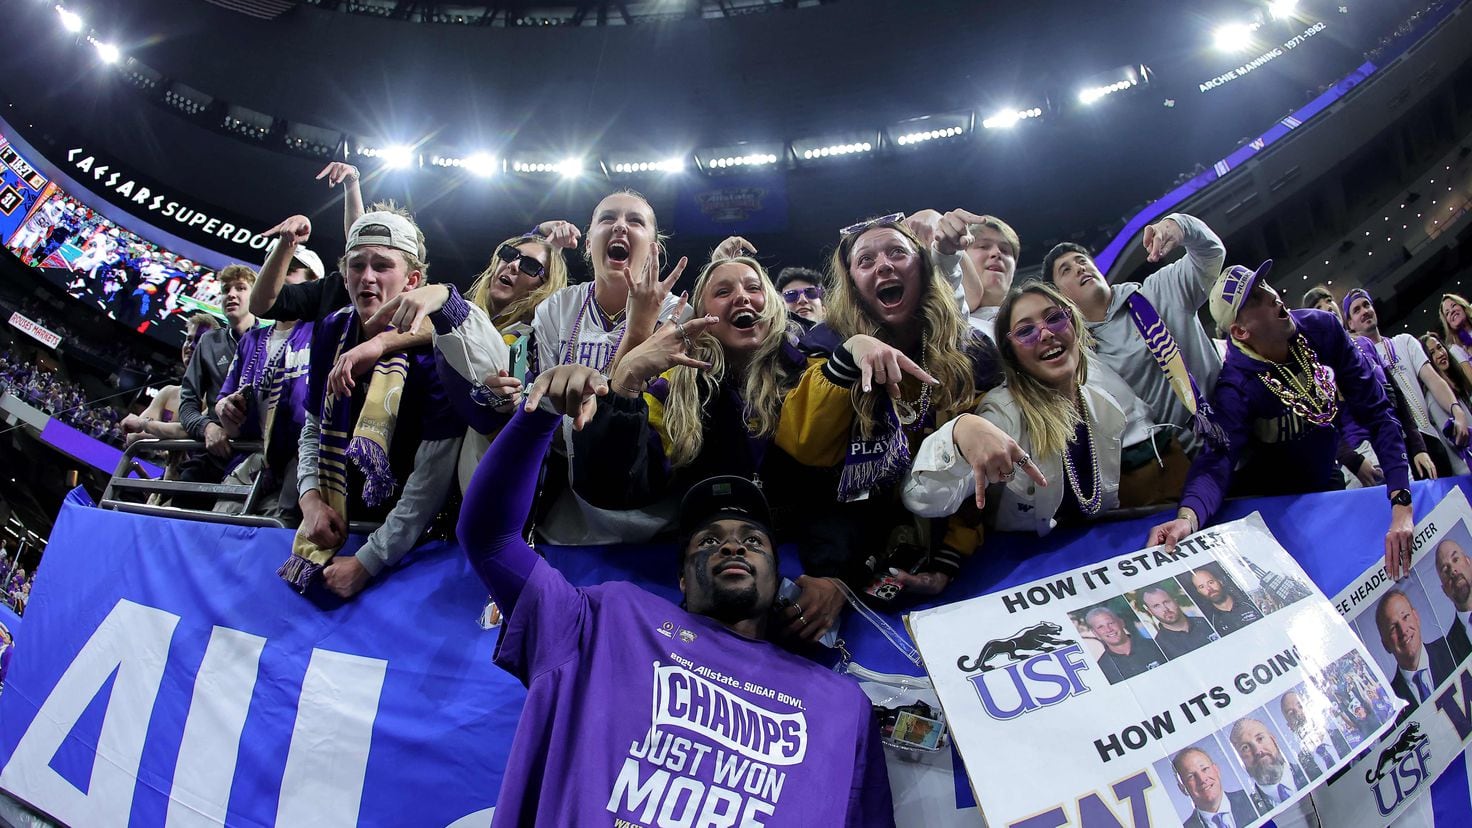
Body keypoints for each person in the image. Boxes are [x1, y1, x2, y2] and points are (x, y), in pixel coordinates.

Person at [456, 385, 895, 826]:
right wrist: (540, 413)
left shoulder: (841, 707)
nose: (732, 548)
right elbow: (490, 541)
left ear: (777, 577)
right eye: (709, 540)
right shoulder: (608, 619)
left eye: (753, 541)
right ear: (683, 578)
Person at [565, 256, 844, 640]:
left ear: (774, 304)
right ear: (702, 315)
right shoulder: (673, 388)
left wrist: (839, 575)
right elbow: (610, 488)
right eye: (723, 291)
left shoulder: (815, 368)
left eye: (753, 287)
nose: (742, 298)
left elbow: (847, 481)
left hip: (811, 565)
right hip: (716, 574)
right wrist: (627, 381)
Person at [774, 215, 1026, 599]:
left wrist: (948, 558)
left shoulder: (970, 351)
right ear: (854, 285)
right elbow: (805, 447)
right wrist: (849, 356)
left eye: (897, 252)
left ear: (923, 267)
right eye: (866, 261)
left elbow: (977, 483)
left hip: (938, 528)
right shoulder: (825, 342)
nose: (884, 266)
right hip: (845, 536)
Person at [1147, 264, 1415, 580]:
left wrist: (1401, 503)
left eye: (1266, 286)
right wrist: (1187, 517)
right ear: (1240, 331)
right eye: (1257, 298)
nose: (1274, 296)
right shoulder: (1236, 387)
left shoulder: (1322, 328)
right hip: (1277, 502)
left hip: (1325, 475)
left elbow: (1377, 410)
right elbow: (1216, 460)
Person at [283, 208, 464, 599]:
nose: (367, 277)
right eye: (357, 265)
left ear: (413, 280)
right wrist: (311, 498)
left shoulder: (438, 352)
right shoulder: (331, 329)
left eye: (382, 266)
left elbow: (432, 476)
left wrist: (370, 561)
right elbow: (313, 427)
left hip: (414, 543)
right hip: (338, 521)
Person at [904, 282, 1183, 533]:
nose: (1046, 333)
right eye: (1026, 331)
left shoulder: (1106, 408)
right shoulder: (1004, 414)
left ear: (1073, 325)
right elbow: (921, 498)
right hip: (1019, 567)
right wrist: (959, 433)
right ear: (1011, 354)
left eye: (1055, 318)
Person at [527, 190, 684, 545]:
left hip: (655, 512)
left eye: (635, 221)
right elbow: (544, 415)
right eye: (608, 219)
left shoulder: (680, 313)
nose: (620, 227)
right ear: (588, 242)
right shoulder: (557, 308)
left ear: (654, 247)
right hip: (570, 510)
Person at [368, 224, 574, 493]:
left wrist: (443, 295)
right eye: (509, 254)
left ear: (545, 286)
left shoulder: (534, 341)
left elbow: (490, 350)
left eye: (530, 267)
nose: (512, 266)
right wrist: (377, 343)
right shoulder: (467, 320)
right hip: (427, 483)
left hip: (493, 493)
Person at [1042, 213, 1227, 456]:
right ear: (1059, 297)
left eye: (1082, 261)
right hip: (1181, 468)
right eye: (1066, 270)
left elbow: (1212, 253)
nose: (1079, 268)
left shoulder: (1160, 290)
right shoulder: (1080, 358)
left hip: (1237, 420)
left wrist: (1179, 224)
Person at [212, 244, 322, 515]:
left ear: (314, 284)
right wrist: (225, 409)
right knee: (217, 534)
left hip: (301, 469)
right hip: (248, 462)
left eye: (291, 270)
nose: (279, 275)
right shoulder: (251, 340)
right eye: (275, 268)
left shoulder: (324, 332)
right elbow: (223, 407)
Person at [1344, 288, 1468, 477]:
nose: (1364, 311)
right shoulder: (1357, 363)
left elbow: (1434, 381)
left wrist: (1456, 411)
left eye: (1366, 304)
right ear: (1350, 324)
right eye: (1357, 309)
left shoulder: (1404, 342)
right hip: (1396, 449)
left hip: (1431, 438)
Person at [174, 264, 259, 505]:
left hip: (255, 454)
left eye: (241, 288)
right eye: (226, 289)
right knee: (184, 496)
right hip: (212, 454)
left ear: (255, 295)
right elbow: (187, 406)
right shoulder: (209, 342)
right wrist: (207, 428)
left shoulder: (272, 338)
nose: (231, 294)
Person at [1375, 588, 1455, 708]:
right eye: (1393, 628)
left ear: (1416, 617)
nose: (1403, 630)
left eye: (1405, 617)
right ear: (1386, 645)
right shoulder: (1391, 704)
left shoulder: (1453, 648)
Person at [1227, 717, 1308, 813]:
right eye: (1245, 747)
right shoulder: (1243, 812)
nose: (1257, 751)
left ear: (1273, 740)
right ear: (1239, 760)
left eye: (1260, 738)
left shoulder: (1311, 768)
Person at [1419, 332, 1472, 472]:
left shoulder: (1457, 384)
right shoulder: (1432, 397)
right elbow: (1455, 440)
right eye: (1432, 353)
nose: (1440, 354)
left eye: (1439, 347)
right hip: (1466, 470)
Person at [1172, 746, 1260, 828]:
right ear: (1182, 788)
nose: (1202, 779)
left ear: (1216, 770)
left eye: (1205, 769)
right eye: (1191, 776)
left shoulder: (1253, 799)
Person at [1279, 688, 1352, 780]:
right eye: (1291, 713)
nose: (1298, 713)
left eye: (1300, 706)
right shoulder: (1301, 770)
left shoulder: (1344, 735)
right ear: (1290, 726)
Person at [1084, 605, 1166, 682]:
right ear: (1095, 633)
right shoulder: (1102, 668)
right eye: (1100, 627)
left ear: (1121, 623)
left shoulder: (1156, 646)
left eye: (1111, 623)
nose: (1108, 629)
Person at [1139, 585, 1218, 658]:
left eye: (1166, 602)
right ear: (1150, 611)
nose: (1165, 609)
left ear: (1175, 600)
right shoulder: (1160, 646)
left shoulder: (1208, 622)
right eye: (1156, 606)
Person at [1184, 566, 1263, 635]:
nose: (1209, 589)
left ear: (1220, 582)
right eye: (1202, 587)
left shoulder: (1251, 602)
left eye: (1211, 582)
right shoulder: (1211, 622)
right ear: (1199, 591)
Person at [1435, 538, 1472, 663]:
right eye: (1445, 570)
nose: (1453, 570)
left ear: (1469, 562)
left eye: (1455, 559)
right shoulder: (1449, 648)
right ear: (1444, 590)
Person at [1439, 293, 1472, 384]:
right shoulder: (1455, 349)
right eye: (1447, 313)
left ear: (1462, 306)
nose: (1452, 312)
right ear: (1448, 323)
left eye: (1453, 305)